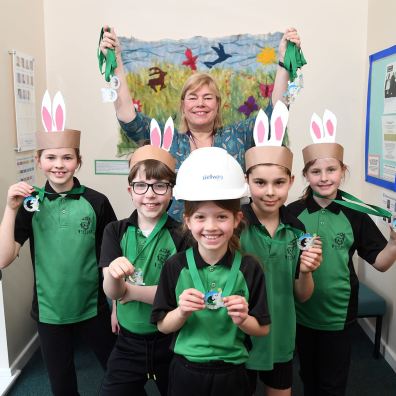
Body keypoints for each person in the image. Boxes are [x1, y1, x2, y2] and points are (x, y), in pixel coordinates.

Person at [99, 26, 302, 220]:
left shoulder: (239, 135)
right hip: (177, 239)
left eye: (208, 97)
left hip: (230, 236)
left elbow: (276, 114)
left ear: (218, 104)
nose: (200, 104)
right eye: (193, 97)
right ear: (183, 105)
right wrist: (115, 61)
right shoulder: (167, 140)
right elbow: (127, 116)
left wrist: (284, 62)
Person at [0, 115, 116, 395]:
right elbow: (3, 258)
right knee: (62, 383)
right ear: (39, 161)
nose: (59, 165)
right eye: (50, 158)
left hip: (94, 306)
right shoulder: (30, 204)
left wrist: (118, 308)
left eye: (67, 157)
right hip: (49, 310)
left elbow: (110, 261)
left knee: (118, 372)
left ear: (78, 161)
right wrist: (10, 208)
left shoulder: (97, 202)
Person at [287, 111, 396, 396]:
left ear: (342, 171)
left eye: (331, 170)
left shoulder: (356, 215)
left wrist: (394, 244)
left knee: (333, 383)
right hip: (300, 313)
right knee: (307, 375)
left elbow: (381, 263)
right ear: (305, 175)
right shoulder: (291, 214)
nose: (324, 178)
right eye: (315, 171)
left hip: (339, 315)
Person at [151, 147, 271, 396]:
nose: (211, 227)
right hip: (186, 371)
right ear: (187, 221)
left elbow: (263, 328)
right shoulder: (175, 266)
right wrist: (182, 311)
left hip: (234, 372)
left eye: (221, 217)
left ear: (237, 219)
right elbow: (163, 325)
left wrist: (243, 319)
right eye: (201, 217)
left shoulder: (250, 268)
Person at [240, 104, 322, 396]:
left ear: (291, 182)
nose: (270, 192)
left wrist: (306, 271)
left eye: (279, 183)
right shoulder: (234, 227)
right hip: (240, 337)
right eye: (260, 183)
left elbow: (302, 294)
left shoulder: (298, 231)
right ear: (246, 181)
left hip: (281, 334)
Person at [99, 137, 188, 396]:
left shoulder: (183, 235)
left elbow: (177, 294)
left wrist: (128, 292)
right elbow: (111, 292)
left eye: (160, 185)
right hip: (128, 342)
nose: (150, 194)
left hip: (172, 341)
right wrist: (116, 283)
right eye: (141, 185)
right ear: (130, 190)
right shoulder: (115, 231)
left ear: (172, 190)